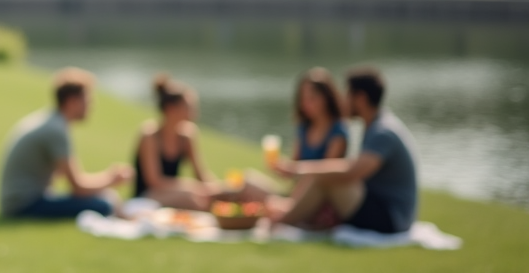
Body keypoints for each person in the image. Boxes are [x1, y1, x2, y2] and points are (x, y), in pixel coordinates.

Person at [268, 66, 419, 235]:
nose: (343, 100)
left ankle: (282, 221)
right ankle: (291, 217)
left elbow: (351, 171)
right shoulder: (375, 126)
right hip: (380, 208)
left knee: (324, 177)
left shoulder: (383, 132)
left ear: (360, 98)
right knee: (324, 176)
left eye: (347, 94)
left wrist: (297, 169)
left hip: (391, 219)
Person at [0, 68, 132, 219]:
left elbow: (68, 178)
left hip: (21, 200)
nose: (91, 105)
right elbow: (78, 187)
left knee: (105, 197)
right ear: (72, 102)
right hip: (23, 205)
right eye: (87, 100)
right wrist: (111, 179)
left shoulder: (52, 122)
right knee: (104, 204)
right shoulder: (56, 130)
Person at [132, 74, 270, 210]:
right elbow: (154, 181)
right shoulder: (150, 136)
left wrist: (219, 188)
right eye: (188, 106)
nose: (194, 111)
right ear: (171, 109)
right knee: (192, 198)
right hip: (149, 196)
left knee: (240, 185)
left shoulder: (187, 136)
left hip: (178, 192)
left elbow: (200, 174)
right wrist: (192, 187)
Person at [292, 67, 348, 161]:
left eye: (311, 98)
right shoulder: (304, 127)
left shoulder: (338, 131)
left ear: (326, 98)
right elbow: (294, 161)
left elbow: (326, 170)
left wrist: (295, 169)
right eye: (303, 99)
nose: (305, 104)